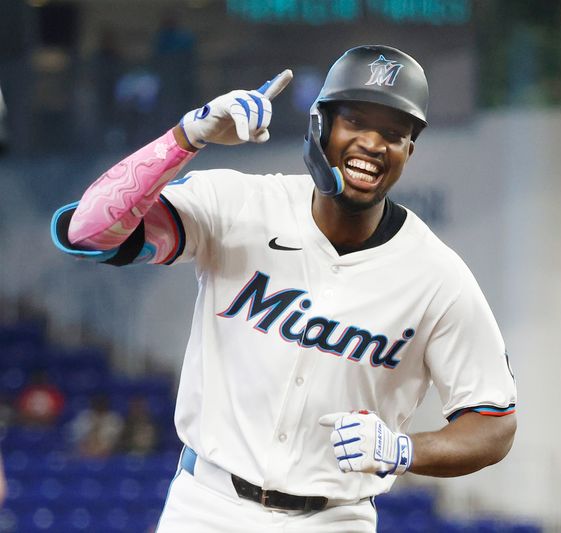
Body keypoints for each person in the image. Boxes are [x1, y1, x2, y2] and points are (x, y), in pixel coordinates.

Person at [51, 45, 517, 532]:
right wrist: (187, 137)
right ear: (320, 126)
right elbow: (90, 232)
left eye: (394, 134)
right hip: (207, 505)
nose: (374, 144)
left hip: (335, 519)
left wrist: (405, 449)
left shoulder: (437, 276)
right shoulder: (239, 204)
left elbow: (495, 426)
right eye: (355, 121)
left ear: (408, 153)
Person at [67, 394, 123, 458]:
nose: (99, 409)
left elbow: (113, 442)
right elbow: (74, 437)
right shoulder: (84, 417)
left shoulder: (113, 419)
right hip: (83, 453)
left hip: (106, 454)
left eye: (101, 407)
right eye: (97, 407)